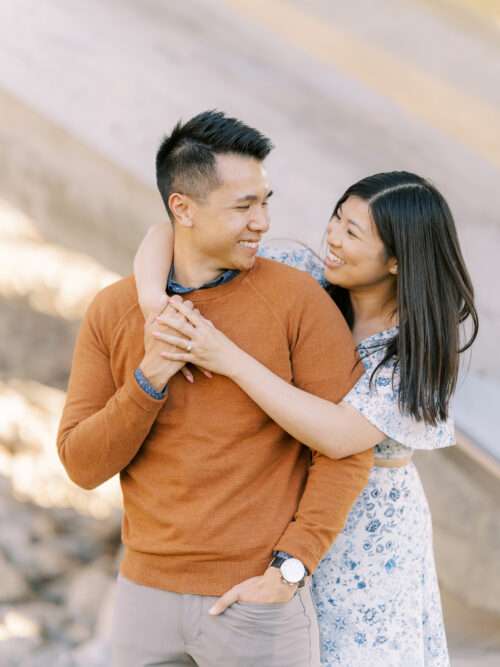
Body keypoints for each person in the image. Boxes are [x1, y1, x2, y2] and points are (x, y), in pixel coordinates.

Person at [57, 110, 373, 667]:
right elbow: (82, 466)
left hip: (257, 601)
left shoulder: (298, 301)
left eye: (265, 201)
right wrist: (149, 377)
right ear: (183, 208)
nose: (262, 221)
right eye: (243, 206)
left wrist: (290, 570)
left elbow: (345, 451)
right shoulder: (115, 310)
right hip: (140, 597)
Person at [134, 170, 478, 667]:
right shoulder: (301, 275)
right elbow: (165, 232)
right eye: (338, 218)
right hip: (280, 504)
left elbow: (339, 436)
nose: (332, 237)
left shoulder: (415, 353)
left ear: (398, 260)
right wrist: (152, 302)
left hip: (366, 535)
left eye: (353, 233)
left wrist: (227, 357)